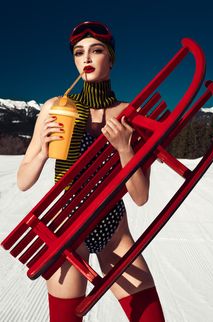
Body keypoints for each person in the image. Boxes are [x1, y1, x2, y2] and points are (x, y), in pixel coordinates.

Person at [17, 21, 165, 322]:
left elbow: (140, 197)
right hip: (66, 229)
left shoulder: (131, 115)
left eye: (96, 51)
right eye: (78, 52)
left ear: (110, 59)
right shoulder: (55, 107)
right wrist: (44, 152)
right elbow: (23, 181)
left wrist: (125, 148)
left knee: (151, 318)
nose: (86, 58)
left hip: (114, 232)